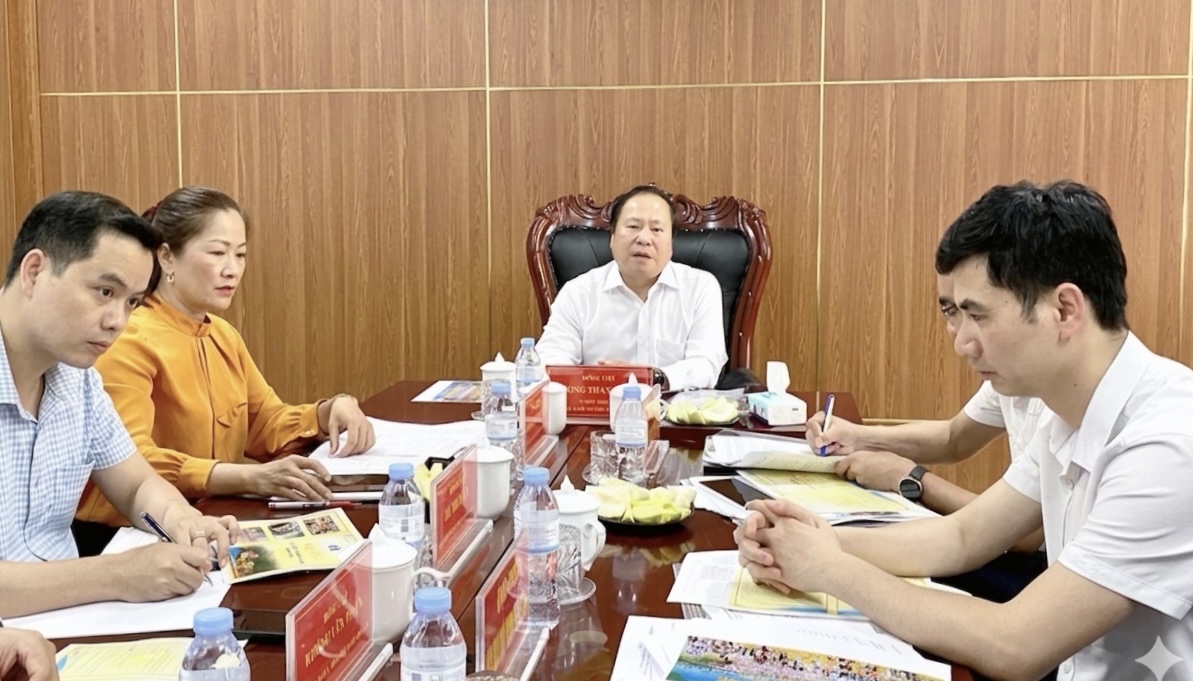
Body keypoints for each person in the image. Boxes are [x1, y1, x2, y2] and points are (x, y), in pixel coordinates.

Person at [736, 181, 1193, 681]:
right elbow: (963, 536)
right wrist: (808, 540)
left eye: (978, 314)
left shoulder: (1167, 446)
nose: (962, 344)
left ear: (1064, 310)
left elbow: (1016, 644)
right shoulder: (1066, 413)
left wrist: (830, 569)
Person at [74, 187, 375, 552]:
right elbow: (132, 461)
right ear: (166, 257)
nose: (232, 269)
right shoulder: (129, 337)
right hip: (125, 535)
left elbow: (265, 426)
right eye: (217, 253)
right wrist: (247, 477)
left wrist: (329, 411)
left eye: (240, 254)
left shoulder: (222, 334)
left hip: (209, 521)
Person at [0, 191, 238, 618]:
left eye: (131, 302)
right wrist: (115, 575)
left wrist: (181, 520)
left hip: (72, 626)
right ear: (34, 271)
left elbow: (136, 485)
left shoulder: (80, 380)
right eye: (104, 291)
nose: (117, 322)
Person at [807, 273, 1048, 602]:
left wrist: (911, 479)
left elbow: (1019, 536)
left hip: (1038, 573)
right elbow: (954, 437)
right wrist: (857, 436)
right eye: (950, 312)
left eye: (975, 314)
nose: (960, 339)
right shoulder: (1014, 375)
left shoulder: (1063, 397)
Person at [534, 185, 728, 390]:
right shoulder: (578, 293)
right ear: (612, 237)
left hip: (674, 409)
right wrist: (597, 381)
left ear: (671, 243)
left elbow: (706, 365)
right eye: (633, 226)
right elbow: (549, 361)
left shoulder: (700, 288)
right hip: (601, 407)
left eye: (657, 230)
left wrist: (651, 377)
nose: (644, 239)